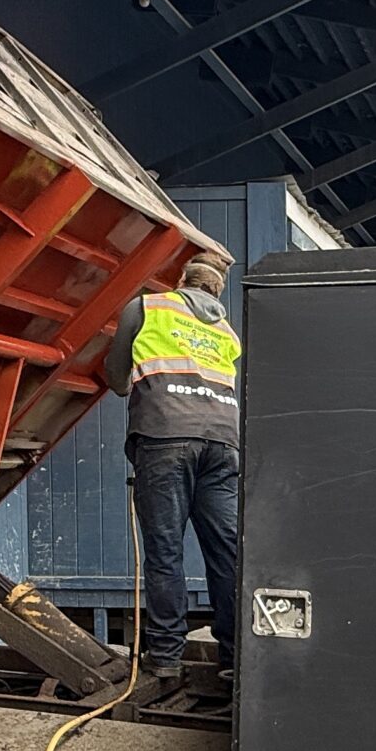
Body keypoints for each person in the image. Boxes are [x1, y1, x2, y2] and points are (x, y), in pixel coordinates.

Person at [104, 252, 242, 692]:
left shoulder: (148, 306)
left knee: (166, 551)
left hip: (165, 437)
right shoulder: (227, 331)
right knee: (227, 553)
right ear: (217, 289)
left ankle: (164, 657)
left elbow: (116, 376)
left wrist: (132, 385)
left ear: (181, 279)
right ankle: (237, 658)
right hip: (223, 444)